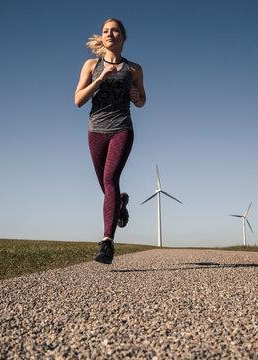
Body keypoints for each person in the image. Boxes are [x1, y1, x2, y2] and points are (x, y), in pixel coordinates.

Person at [75, 18, 146, 264]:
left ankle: (107, 242)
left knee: (110, 179)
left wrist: (136, 97)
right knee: (105, 186)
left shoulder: (134, 69)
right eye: (106, 31)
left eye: (115, 30)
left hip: (122, 129)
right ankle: (121, 202)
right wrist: (100, 79)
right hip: (96, 130)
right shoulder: (91, 65)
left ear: (123, 37)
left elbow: (142, 100)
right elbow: (78, 100)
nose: (110, 34)